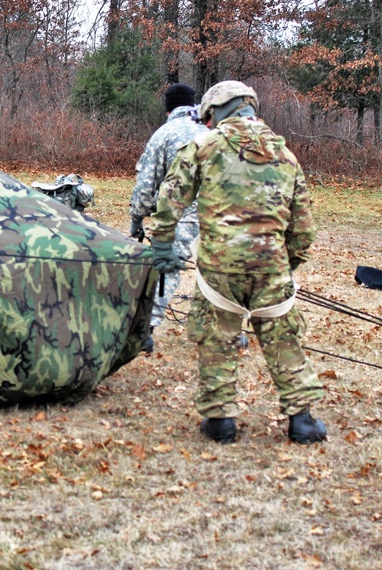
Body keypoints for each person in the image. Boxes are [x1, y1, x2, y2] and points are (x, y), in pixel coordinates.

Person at [149, 80, 327, 445]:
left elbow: (170, 198)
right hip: (271, 265)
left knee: (217, 340)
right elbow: (304, 228)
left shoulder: (203, 146)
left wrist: (164, 244)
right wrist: (284, 263)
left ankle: (220, 423)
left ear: (215, 112)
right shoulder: (285, 155)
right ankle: (303, 422)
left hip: (219, 268)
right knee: (283, 341)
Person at [129, 83, 207, 352]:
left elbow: (146, 184)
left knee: (167, 267)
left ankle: (145, 330)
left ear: (168, 108)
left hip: (182, 210)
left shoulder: (164, 134)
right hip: (222, 210)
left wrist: (137, 218)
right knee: (217, 270)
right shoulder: (213, 130)